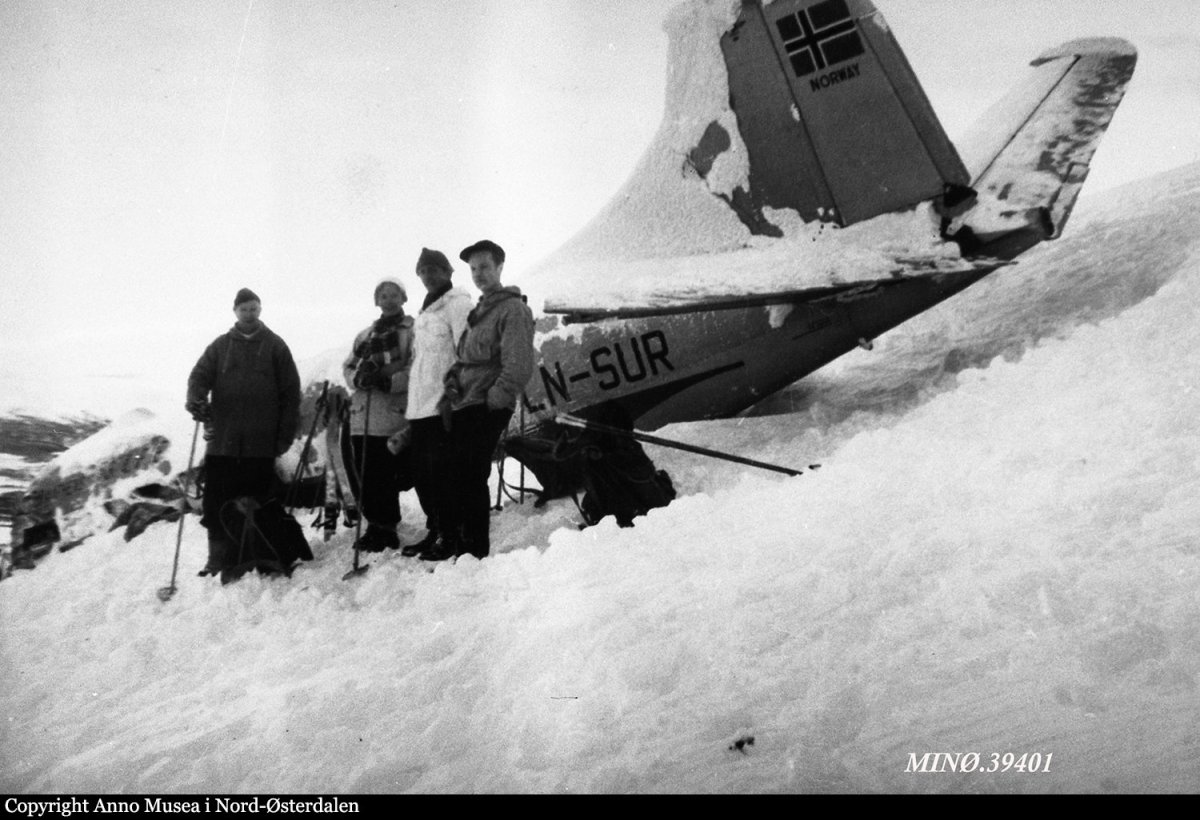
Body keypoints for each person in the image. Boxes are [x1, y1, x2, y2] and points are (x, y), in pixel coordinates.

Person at [420, 239, 535, 562]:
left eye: (485, 266)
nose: (479, 274)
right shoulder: (479, 313)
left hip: (485, 404)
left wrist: (492, 400)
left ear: (500, 267)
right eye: (473, 269)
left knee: (470, 473)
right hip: (464, 403)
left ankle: (474, 550)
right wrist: (452, 384)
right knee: (456, 471)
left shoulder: (513, 309)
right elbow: (463, 359)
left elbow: (518, 365)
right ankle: (460, 542)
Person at [186, 288, 302, 576]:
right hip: (223, 443)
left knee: (260, 501)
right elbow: (199, 376)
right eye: (244, 309)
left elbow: (290, 393)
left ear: (260, 310)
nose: (249, 314)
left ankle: (263, 555)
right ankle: (217, 559)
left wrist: (283, 436)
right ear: (235, 311)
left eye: (253, 308)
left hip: (261, 444)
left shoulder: (276, 346)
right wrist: (196, 399)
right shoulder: (220, 346)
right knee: (216, 502)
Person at [398, 248, 474, 558]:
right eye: (423, 272)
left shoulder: (457, 305)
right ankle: (437, 530)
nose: (429, 276)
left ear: (448, 272)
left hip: (443, 404)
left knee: (443, 474)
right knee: (424, 475)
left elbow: (466, 351)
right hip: (420, 407)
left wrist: (455, 395)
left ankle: (452, 535)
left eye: (434, 270)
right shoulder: (427, 311)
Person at [341, 277, 414, 551]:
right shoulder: (365, 336)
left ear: (403, 298)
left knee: (385, 474)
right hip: (363, 414)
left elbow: (414, 368)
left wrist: (386, 381)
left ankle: (388, 527)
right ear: (377, 301)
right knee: (367, 474)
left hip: (391, 413)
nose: (389, 299)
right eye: (383, 295)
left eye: (394, 294)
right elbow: (348, 367)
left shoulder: (411, 331)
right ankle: (375, 526)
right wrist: (359, 379)